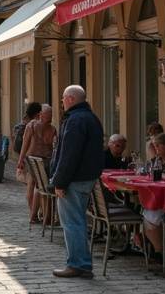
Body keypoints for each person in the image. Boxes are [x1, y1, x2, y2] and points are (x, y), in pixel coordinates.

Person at [50, 85, 104, 279]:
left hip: (74, 179)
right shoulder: (91, 118)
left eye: (63, 98)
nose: (62, 102)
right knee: (78, 221)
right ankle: (82, 264)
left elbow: (69, 155)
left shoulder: (75, 120)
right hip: (86, 178)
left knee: (72, 222)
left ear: (71, 99)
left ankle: (77, 264)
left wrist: (60, 182)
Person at [17, 104, 57, 224]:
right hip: (37, 160)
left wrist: (21, 159)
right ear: (41, 115)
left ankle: (35, 215)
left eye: (50, 115)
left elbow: (26, 144)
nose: (50, 117)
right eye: (48, 114)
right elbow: (25, 144)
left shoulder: (34, 126)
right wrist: (21, 159)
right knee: (38, 186)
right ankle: (38, 215)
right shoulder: (48, 128)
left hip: (37, 159)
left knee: (36, 186)